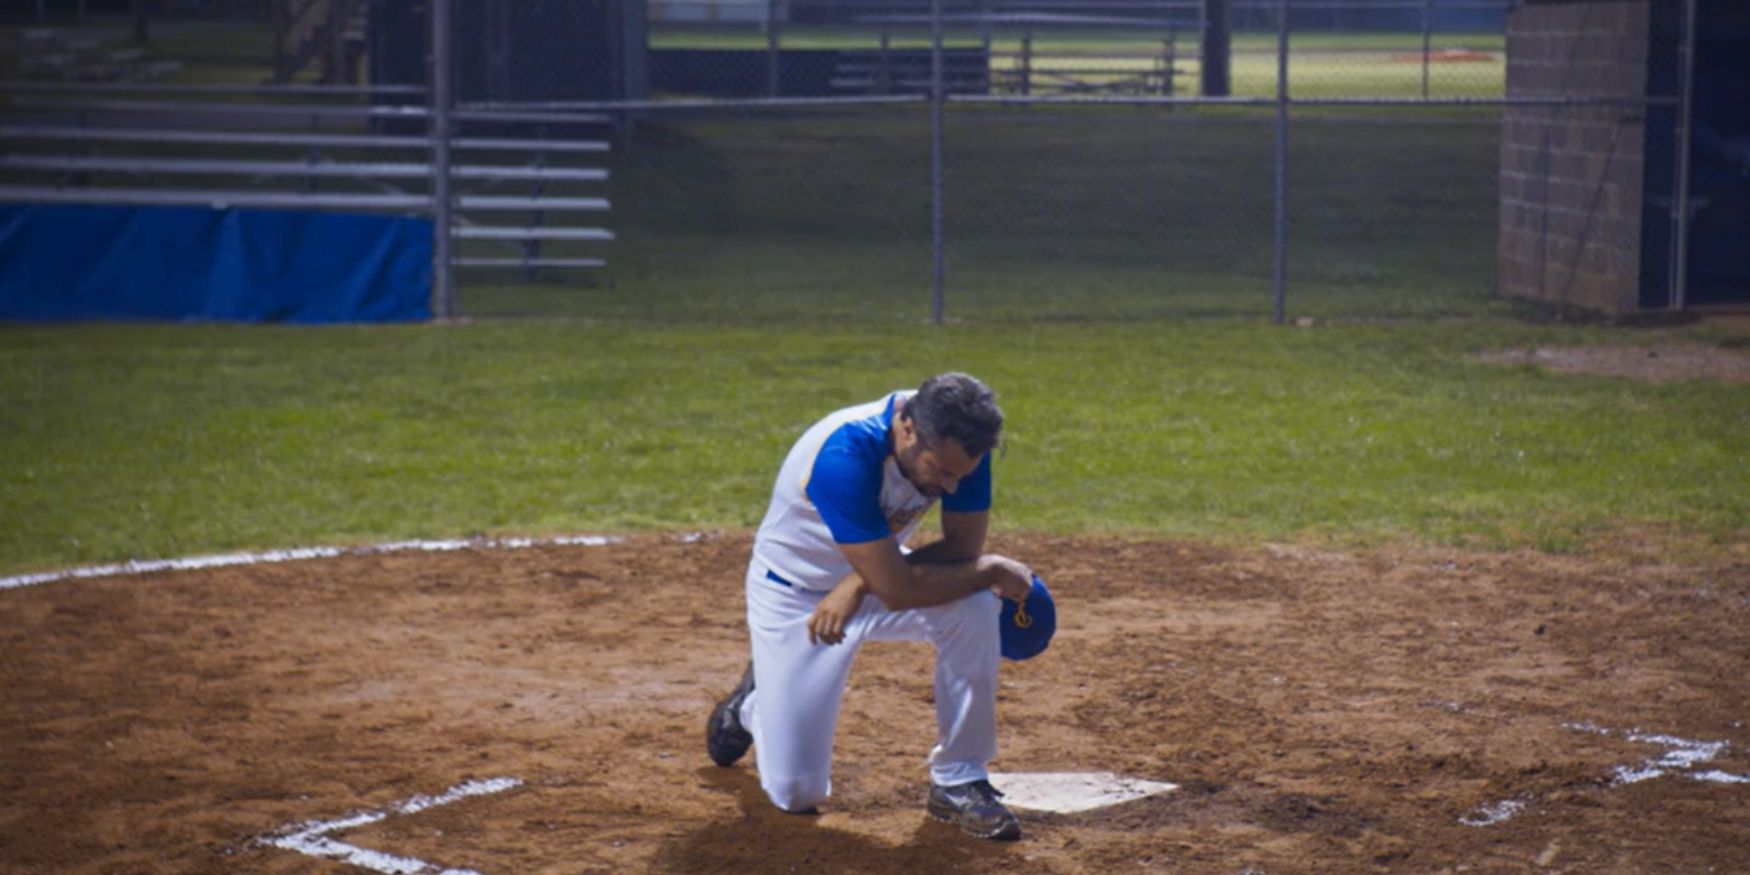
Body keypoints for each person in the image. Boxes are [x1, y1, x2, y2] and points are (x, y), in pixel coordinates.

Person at [705, 372, 1036, 841]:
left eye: (958, 474)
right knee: (796, 792)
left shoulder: (962, 447)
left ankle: (959, 777)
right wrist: (994, 565)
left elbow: (961, 547)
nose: (949, 485)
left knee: (975, 604)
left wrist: (858, 585)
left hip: (877, 573)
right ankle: (752, 706)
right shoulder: (845, 455)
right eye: (940, 471)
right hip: (793, 597)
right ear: (906, 429)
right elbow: (899, 587)